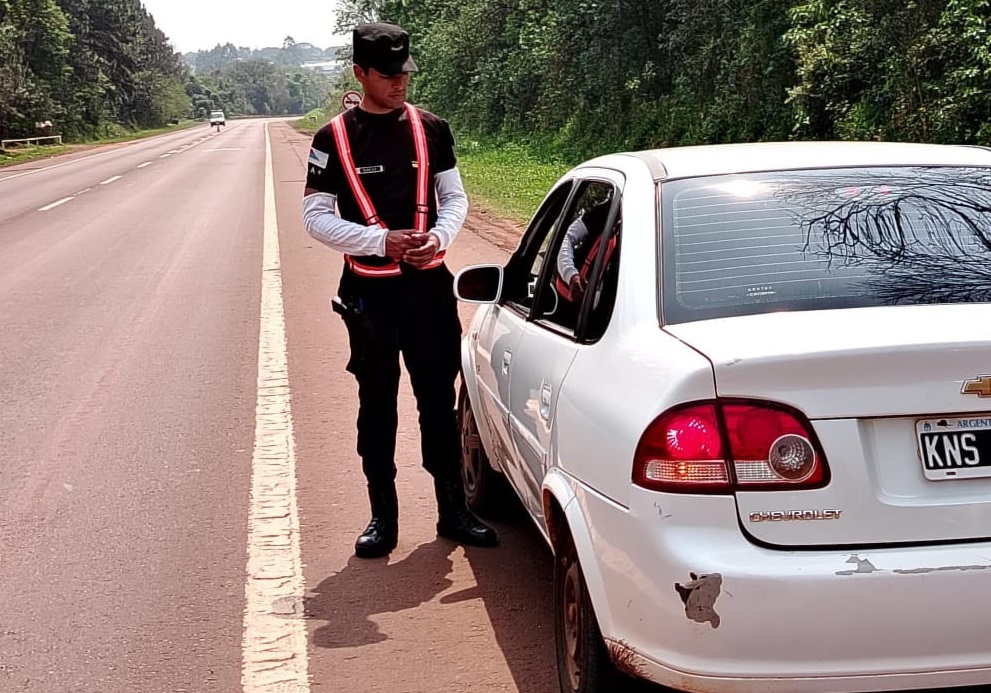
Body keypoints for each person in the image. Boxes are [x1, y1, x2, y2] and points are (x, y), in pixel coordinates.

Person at [301, 21, 498, 559]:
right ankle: (381, 516)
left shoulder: (432, 128)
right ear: (360, 73)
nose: (399, 83)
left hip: (429, 291)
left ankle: (453, 510)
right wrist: (379, 240)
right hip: (369, 297)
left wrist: (437, 236)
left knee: (439, 400)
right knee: (377, 404)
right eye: (387, 75)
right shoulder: (332, 138)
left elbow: (455, 199)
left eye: (404, 72)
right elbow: (315, 218)